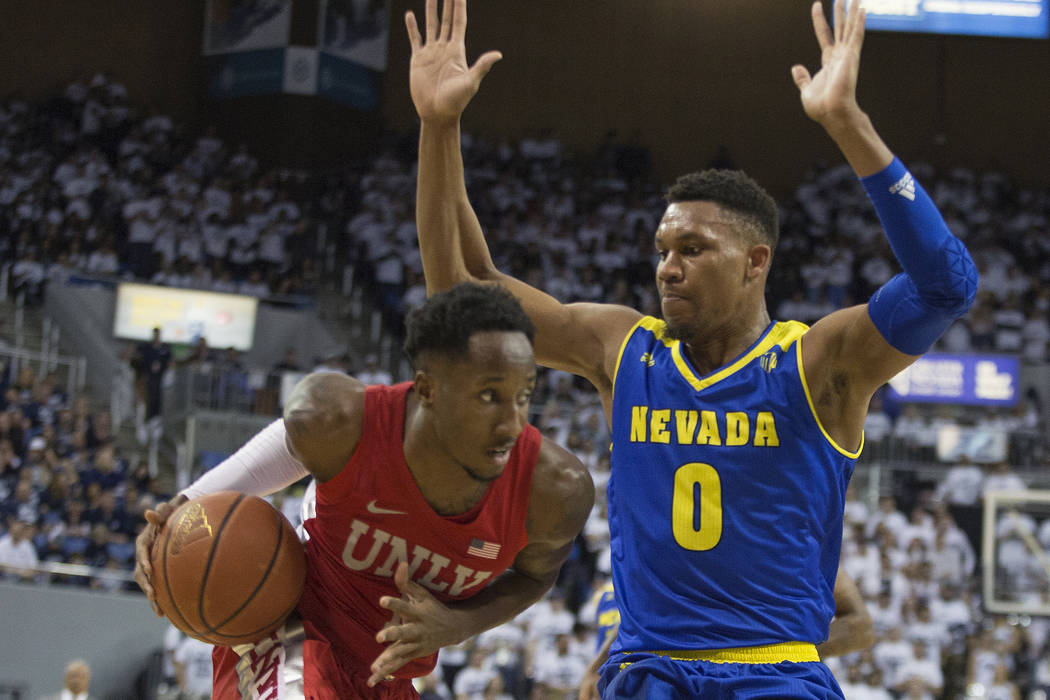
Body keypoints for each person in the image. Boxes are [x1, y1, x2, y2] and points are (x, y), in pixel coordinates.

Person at [406, 0, 977, 696]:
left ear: (755, 261)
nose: (667, 267)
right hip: (647, 672)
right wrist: (439, 127)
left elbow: (947, 285)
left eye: (693, 249)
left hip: (773, 675)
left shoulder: (817, 362)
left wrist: (846, 124)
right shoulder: (624, 347)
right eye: (662, 250)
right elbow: (461, 293)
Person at [134, 282, 594, 698]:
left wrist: (460, 624)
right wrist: (182, 510)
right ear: (429, 390)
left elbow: (535, 576)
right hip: (294, 639)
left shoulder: (556, 492)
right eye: (488, 397)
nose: (512, 423)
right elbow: (293, 442)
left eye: (523, 396)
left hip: (386, 682)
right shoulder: (341, 421)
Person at [575, 564, 875, 699]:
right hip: (675, 669)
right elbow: (650, 611)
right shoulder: (675, 522)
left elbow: (861, 626)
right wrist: (598, 663)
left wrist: (776, 653)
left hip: (768, 677)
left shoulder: (794, 539)